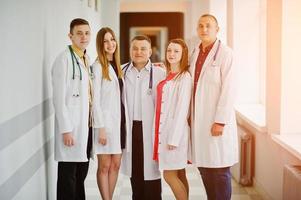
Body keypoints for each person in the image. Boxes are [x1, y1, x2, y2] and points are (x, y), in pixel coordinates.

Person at [189, 14, 238, 200]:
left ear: (217, 30)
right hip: (199, 124)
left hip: (217, 124)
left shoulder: (226, 54)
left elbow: (229, 90)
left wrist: (220, 121)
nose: (204, 29)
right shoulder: (195, 53)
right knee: (205, 170)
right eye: (200, 26)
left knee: (219, 172)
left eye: (208, 26)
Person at [51, 18, 93, 200]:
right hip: (71, 130)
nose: (84, 37)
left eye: (87, 33)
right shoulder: (64, 60)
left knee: (80, 174)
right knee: (68, 176)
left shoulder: (84, 57)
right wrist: (66, 130)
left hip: (84, 126)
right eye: (79, 33)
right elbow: (59, 99)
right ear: (71, 36)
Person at [121, 35, 165, 200]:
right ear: (130, 50)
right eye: (135, 48)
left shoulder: (160, 73)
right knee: (136, 173)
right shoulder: (122, 71)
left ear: (150, 51)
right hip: (131, 129)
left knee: (152, 175)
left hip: (151, 129)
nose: (138, 52)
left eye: (143, 48)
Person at [153, 39, 192, 200]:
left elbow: (183, 110)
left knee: (169, 175)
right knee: (180, 173)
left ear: (183, 54)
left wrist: (174, 139)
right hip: (165, 132)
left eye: (176, 51)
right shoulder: (168, 75)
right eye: (169, 50)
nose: (171, 54)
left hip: (174, 135)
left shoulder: (184, 77)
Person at [92, 27, 128, 200]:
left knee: (116, 164)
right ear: (100, 44)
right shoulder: (98, 66)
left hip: (119, 124)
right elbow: (95, 101)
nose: (110, 44)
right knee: (104, 166)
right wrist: (101, 128)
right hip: (105, 125)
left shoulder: (118, 66)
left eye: (112, 39)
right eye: (105, 41)